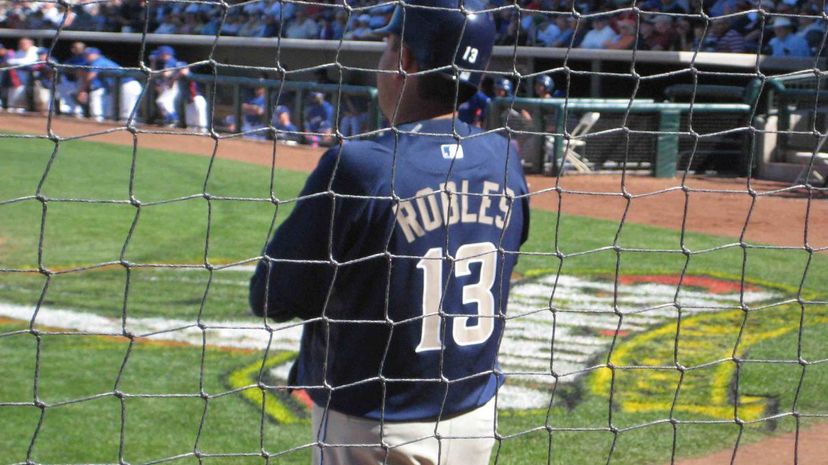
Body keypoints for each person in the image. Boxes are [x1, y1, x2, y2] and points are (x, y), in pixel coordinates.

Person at [249, 0, 530, 463]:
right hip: (474, 417)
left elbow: (273, 297)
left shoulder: (361, 165)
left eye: (387, 49)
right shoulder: (503, 158)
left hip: (372, 424)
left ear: (405, 61)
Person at [77, 47, 142, 122]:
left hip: (128, 84)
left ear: (95, 54)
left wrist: (83, 90)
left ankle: (130, 127)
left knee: (127, 110)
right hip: (119, 86)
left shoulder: (99, 61)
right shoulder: (95, 62)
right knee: (118, 111)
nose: (86, 57)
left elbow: (91, 76)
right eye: (85, 55)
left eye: (88, 55)